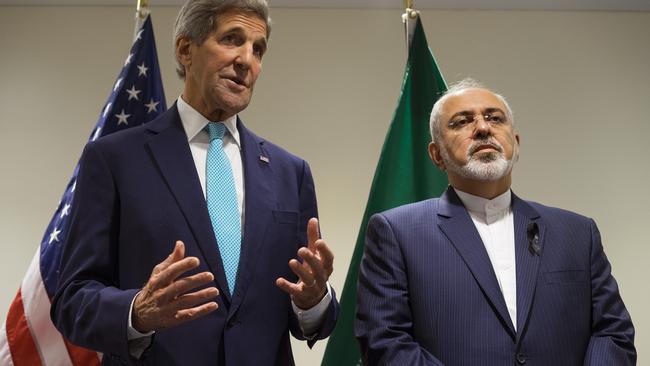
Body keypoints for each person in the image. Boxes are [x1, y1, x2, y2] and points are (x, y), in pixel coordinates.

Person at [51, 1, 339, 365]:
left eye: (258, 49)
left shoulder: (290, 172)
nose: (247, 60)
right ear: (186, 50)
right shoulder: (114, 160)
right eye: (232, 40)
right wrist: (136, 311)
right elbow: (72, 300)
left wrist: (313, 298)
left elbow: (311, 321)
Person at [355, 78, 636, 365]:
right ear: (436, 155)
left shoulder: (577, 232)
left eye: (494, 118)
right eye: (462, 122)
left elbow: (613, 333)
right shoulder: (396, 232)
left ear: (515, 142)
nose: (482, 128)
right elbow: (385, 342)